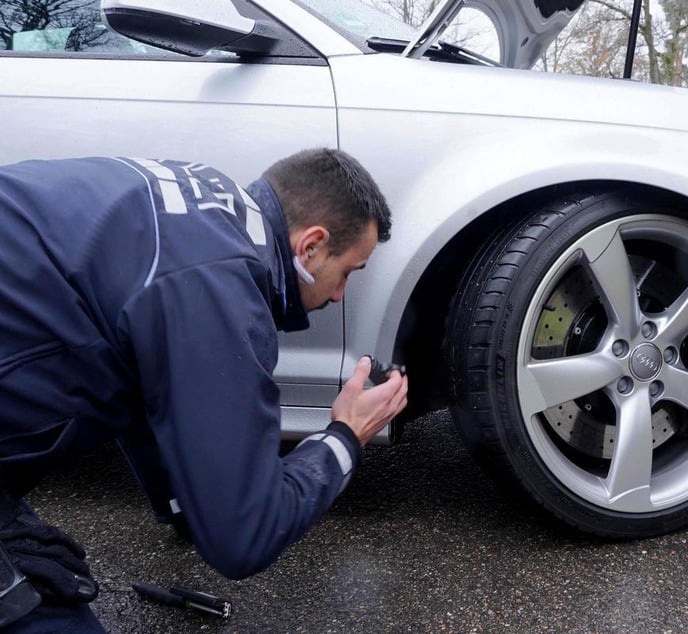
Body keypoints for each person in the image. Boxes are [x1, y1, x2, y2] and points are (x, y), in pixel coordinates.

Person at [0, 148, 409, 631]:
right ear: (312, 246)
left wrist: (192, 506)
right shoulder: (219, 286)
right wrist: (345, 436)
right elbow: (244, 538)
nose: (340, 294)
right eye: (347, 273)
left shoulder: (203, 212)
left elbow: (146, 390)